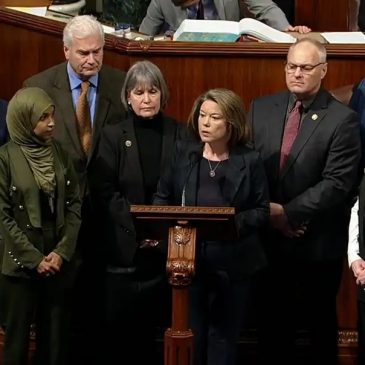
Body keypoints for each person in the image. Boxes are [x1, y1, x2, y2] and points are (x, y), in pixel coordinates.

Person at [249, 37, 362, 365]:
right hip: (268, 242)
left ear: (323, 70)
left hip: (315, 243)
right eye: (292, 66)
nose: (297, 73)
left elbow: (338, 182)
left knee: (317, 332)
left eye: (306, 67)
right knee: (271, 331)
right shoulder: (261, 108)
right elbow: (246, 166)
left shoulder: (343, 119)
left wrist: (289, 214)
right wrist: (268, 212)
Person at [23, 14, 126, 365]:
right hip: (55, 216)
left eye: (98, 51)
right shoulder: (36, 87)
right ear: (66, 50)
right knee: (55, 311)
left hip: (105, 214)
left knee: (102, 307)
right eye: (83, 52)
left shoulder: (121, 85)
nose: (92, 60)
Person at [153, 88, 269, 365]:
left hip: (234, 264)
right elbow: (162, 197)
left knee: (223, 339)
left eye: (214, 117)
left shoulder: (249, 160)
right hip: (188, 262)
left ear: (231, 123)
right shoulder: (185, 154)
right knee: (192, 335)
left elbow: (262, 210)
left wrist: (231, 222)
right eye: (202, 115)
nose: (205, 123)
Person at [90, 60, 185, 365]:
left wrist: (159, 230)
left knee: (162, 338)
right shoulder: (113, 134)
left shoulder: (179, 133)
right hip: (124, 250)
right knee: (122, 339)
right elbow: (104, 190)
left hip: (167, 249)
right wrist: (138, 226)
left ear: (163, 94)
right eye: (139, 92)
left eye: (153, 91)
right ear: (128, 97)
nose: (146, 99)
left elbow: (184, 188)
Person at [0, 87, 81, 365]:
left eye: (52, 115)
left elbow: (74, 205)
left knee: (55, 341)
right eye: (43, 118)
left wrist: (61, 252)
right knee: (17, 341)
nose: (52, 123)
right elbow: (3, 217)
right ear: (24, 120)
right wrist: (35, 259)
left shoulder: (58, 152)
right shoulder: (4, 158)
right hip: (20, 262)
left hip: (57, 258)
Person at [139, 0, 311, 36]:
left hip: (229, 53)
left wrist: (286, 30)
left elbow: (265, 7)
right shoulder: (161, 2)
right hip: (189, 63)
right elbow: (143, 37)